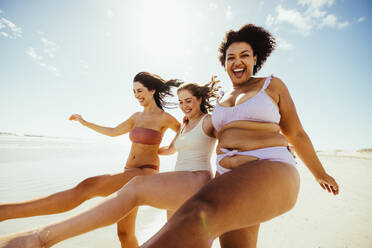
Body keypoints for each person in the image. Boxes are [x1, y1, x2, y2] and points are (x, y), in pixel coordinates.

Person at [0, 79, 286, 248]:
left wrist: (271, 145)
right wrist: (86, 122)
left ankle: (37, 237)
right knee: (179, 238)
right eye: (181, 101)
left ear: (200, 99)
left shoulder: (203, 121)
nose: (185, 105)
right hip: (174, 182)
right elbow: (167, 149)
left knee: (117, 188)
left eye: (189, 100)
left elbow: (232, 135)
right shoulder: (182, 125)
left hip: (184, 179)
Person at [136, 24, 340, 248]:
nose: (237, 61)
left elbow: (296, 133)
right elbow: (205, 130)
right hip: (226, 176)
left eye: (244, 55)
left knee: (195, 213)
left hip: (267, 167)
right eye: (230, 57)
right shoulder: (222, 99)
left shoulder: (271, 85)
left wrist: (320, 173)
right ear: (225, 64)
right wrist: (185, 122)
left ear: (255, 59)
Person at [0, 72, 180, 248]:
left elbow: (184, 135)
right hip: (128, 170)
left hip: (145, 172)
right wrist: (85, 123)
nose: (136, 95)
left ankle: (5, 211)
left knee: (89, 185)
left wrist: (168, 150)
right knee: (124, 234)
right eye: (133, 91)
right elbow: (113, 131)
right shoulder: (136, 117)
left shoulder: (164, 118)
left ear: (152, 91)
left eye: (139, 90)